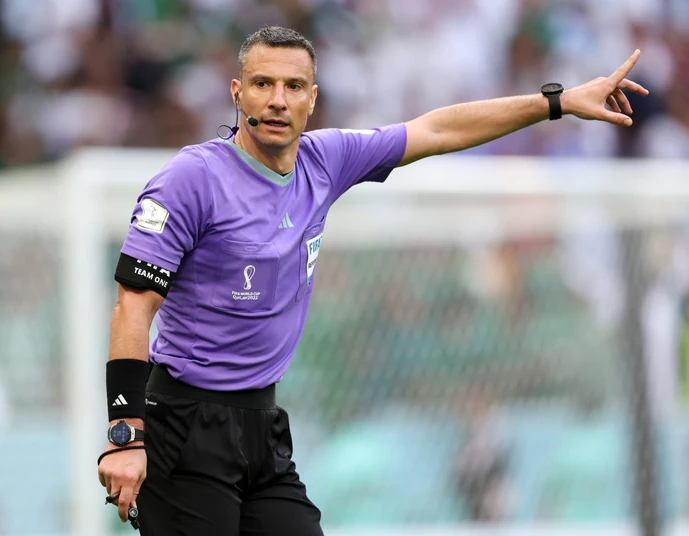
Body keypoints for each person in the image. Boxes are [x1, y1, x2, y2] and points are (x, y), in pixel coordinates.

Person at [96, 26, 649, 535]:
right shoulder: (191, 179)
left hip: (261, 424)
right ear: (237, 93)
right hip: (183, 425)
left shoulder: (325, 161)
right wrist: (125, 433)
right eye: (263, 84)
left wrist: (556, 103)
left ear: (313, 99)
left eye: (294, 86)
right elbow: (132, 308)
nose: (278, 100)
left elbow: (437, 129)